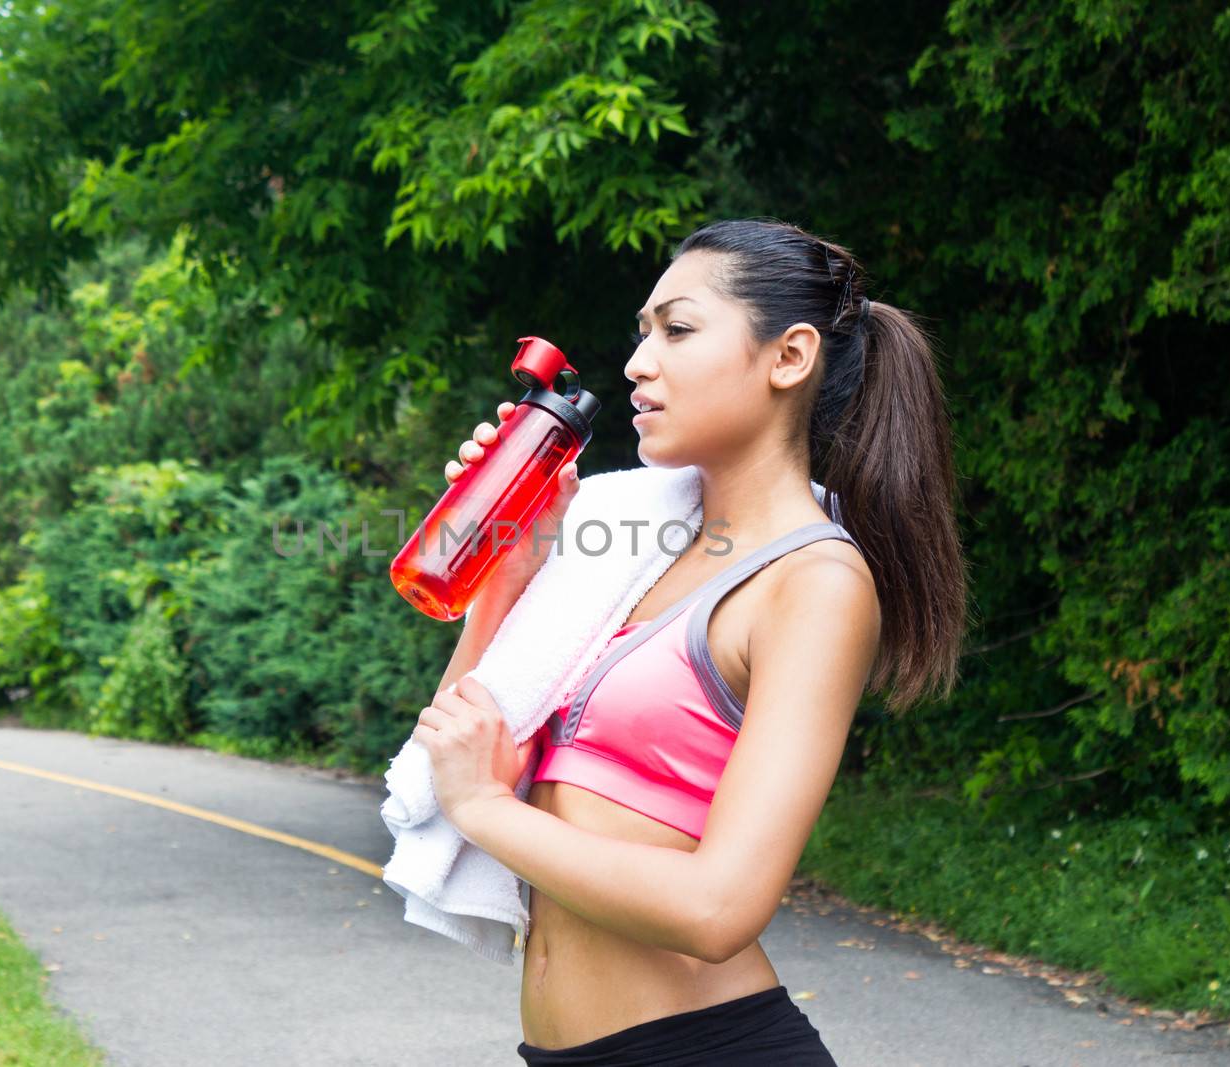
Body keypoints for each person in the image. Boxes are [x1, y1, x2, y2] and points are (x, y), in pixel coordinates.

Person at [411, 217, 968, 1065]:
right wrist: (512, 558)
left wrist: (484, 812)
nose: (639, 362)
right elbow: (464, 735)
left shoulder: (814, 582)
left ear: (789, 357)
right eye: (642, 333)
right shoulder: (630, 554)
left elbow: (720, 908)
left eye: (676, 329)